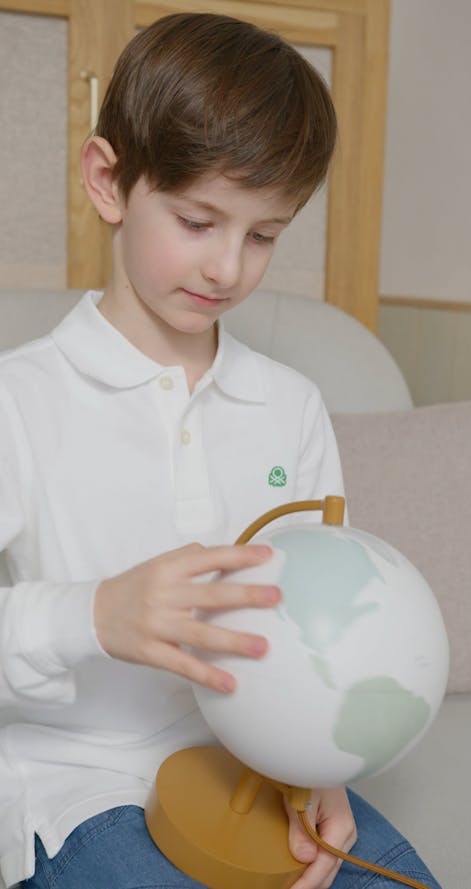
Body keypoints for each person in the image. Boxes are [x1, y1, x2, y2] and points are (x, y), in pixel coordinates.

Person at [0, 13, 441, 889]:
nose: (228, 268)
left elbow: (320, 640)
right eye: (198, 220)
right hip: (81, 786)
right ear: (109, 181)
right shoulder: (21, 400)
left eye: (264, 234)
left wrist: (323, 775)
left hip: (260, 771)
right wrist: (92, 614)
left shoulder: (293, 407)